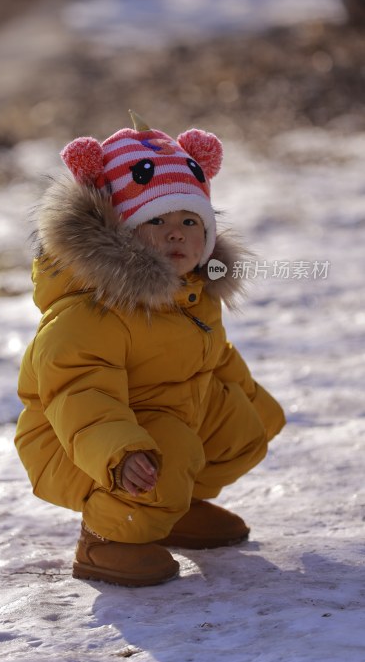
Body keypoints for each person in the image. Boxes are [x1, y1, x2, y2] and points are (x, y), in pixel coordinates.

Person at [15, 111, 285, 587]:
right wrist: (120, 455)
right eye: (155, 220)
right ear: (119, 233)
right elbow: (79, 392)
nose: (176, 232)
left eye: (189, 220)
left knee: (243, 424)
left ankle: (168, 509)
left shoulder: (194, 292)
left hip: (165, 424)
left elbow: (213, 357)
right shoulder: (91, 311)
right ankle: (107, 534)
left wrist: (255, 407)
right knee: (170, 447)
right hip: (81, 443)